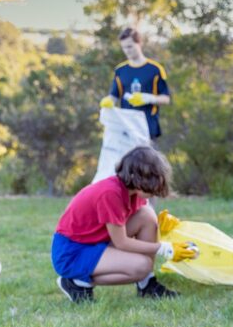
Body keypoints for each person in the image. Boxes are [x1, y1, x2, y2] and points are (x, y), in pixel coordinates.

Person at [52, 146, 197, 303]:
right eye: (153, 180)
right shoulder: (110, 193)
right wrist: (164, 249)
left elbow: (144, 220)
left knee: (147, 216)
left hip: (94, 242)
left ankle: (147, 284)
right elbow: (122, 243)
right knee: (142, 266)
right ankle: (75, 283)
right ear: (136, 177)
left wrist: (164, 226)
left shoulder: (132, 192)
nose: (157, 187)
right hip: (73, 253)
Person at [99, 28, 171, 141]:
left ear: (139, 43)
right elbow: (114, 95)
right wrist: (108, 101)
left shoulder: (155, 69)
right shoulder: (120, 70)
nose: (127, 50)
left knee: (147, 158)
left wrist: (148, 98)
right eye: (123, 47)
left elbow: (166, 98)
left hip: (148, 128)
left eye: (130, 46)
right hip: (127, 128)